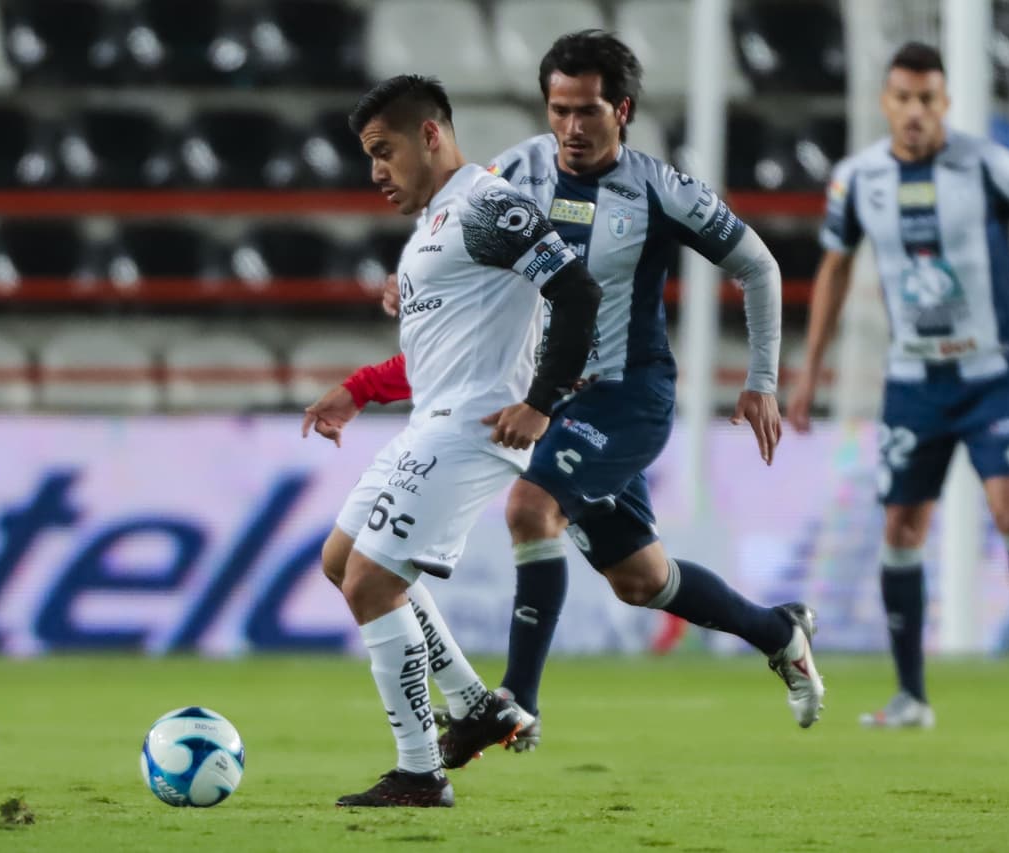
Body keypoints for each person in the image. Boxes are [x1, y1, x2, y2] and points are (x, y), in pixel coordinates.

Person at [308, 30, 826, 768]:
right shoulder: (515, 169)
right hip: (548, 391)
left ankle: (514, 703)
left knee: (530, 507)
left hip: (623, 394)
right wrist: (411, 281)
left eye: (588, 111)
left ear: (624, 109)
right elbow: (455, 234)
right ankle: (780, 633)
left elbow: (759, 266)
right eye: (559, 110)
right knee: (641, 579)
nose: (572, 128)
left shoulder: (660, 189)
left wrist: (762, 379)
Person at [307, 73, 601, 807]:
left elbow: (576, 291)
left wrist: (540, 402)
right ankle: (475, 703)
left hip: (473, 429)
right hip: (429, 421)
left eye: (385, 151)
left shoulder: (487, 205)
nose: (376, 170)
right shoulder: (433, 227)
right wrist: (360, 387)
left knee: (375, 581)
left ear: (431, 135)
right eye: (368, 155)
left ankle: (419, 772)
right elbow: (446, 349)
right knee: (340, 562)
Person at [786, 42, 1009, 728]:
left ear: (946, 102)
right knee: (902, 527)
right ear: (885, 101)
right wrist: (809, 371)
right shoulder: (858, 179)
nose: (915, 111)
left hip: (991, 376)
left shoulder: (988, 165)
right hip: (914, 384)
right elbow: (833, 270)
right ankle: (911, 695)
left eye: (928, 99)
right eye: (903, 98)